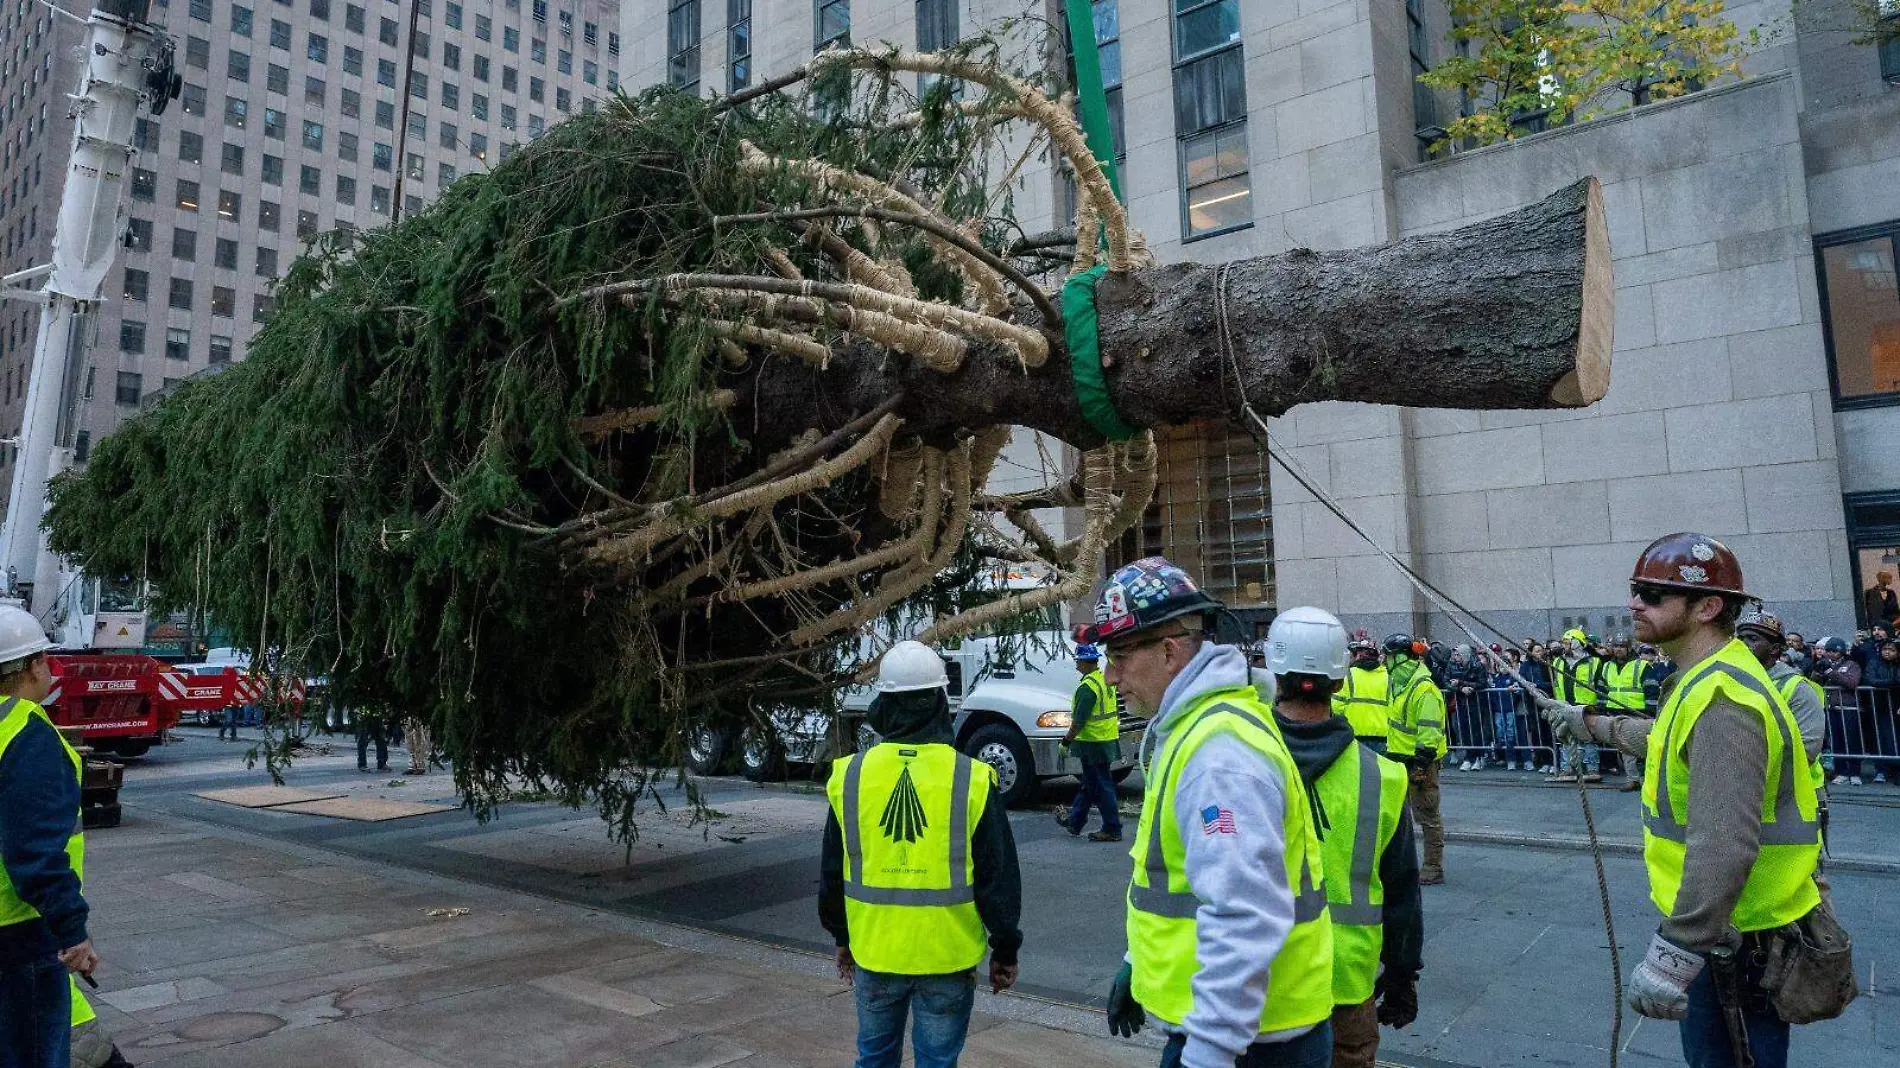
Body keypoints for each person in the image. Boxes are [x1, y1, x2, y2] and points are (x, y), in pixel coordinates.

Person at [1540, 533, 1825, 1068]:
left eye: (1652, 594)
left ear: (1708, 607)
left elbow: (1725, 844)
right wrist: (1595, 724)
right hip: (1731, 932)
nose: (1633, 604)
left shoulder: (1722, 697)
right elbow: (1668, 742)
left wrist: (1676, 953)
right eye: (1634, 591)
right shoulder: (1705, 680)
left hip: (1735, 943)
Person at [1092, 557, 1335, 1068]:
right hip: (1255, 1035)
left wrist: (1206, 1055)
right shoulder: (1201, 729)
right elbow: (1181, 881)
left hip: (1249, 1047)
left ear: (1169, 650)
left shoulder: (1217, 756)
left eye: (1118, 655)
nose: (1109, 676)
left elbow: (1243, 914)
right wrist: (1137, 964)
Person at [820, 640, 1021, 1068]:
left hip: (874, 953)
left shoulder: (850, 775)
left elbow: (832, 872)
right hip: (946, 960)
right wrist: (1005, 950)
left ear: (884, 704)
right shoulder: (971, 778)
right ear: (940, 703)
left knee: (874, 1058)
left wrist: (842, 938)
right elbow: (997, 878)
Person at [1266, 608, 1422, 1068]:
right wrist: (1401, 974)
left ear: (1275, 675)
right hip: (1344, 983)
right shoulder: (1383, 777)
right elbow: (1402, 892)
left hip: (1258, 981)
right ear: (1340, 681)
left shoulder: (1240, 759)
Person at [0, 605, 100, 1068]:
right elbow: (35, 854)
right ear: (31, 666)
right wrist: (72, 931)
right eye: (44, 658)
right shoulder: (27, 734)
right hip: (19, 933)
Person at [1736, 611, 1826, 792]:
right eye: (1741, 638)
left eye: (1752, 639)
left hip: (1794, 797)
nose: (1743, 645)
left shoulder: (1798, 689)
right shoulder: (1733, 681)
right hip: (1747, 793)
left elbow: (1806, 750)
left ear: (1775, 649)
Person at [1382, 634, 1446, 885]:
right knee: (1398, 816)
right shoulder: (1401, 684)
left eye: (1388, 656)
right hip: (1398, 759)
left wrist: (1421, 763)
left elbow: (1429, 730)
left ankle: (1433, 867)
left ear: (1400, 658)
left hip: (1420, 763)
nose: (1384, 661)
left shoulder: (1424, 689)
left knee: (1428, 816)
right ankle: (1402, 863)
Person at [1057, 643, 1122, 842]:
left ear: (1085, 662)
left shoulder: (1087, 687)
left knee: (1101, 786)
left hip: (1093, 743)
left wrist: (1066, 741)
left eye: (1078, 661)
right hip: (1105, 738)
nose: (1076, 665)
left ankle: (1112, 828)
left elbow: (1079, 720)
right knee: (1090, 783)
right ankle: (1075, 822)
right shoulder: (1102, 679)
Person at [1550, 629, 1604, 784]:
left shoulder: (1594, 663)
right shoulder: (1558, 662)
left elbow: (1599, 685)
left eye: (1567, 642)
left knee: (1588, 739)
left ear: (1577, 644)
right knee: (1565, 737)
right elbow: (1556, 684)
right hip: (1564, 705)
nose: (1564, 646)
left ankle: (1592, 767)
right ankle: (1567, 767)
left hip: (1586, 706)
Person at [1813, 638, 1865, 786]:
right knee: (1837, 741)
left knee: (1852, 740)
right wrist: (1818, 671)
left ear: (1841, 652)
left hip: (1848, 707)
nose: (1830, 653)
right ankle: (1841, 771)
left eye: (1834, 651)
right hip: (1831, 708)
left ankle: (1855, 772)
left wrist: (1831, 672)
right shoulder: (1824, 664)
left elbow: (1852, 683)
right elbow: (1813, 682)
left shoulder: (1851, 665)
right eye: (1828, 650)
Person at [1330, 632, 1389, 752]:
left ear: (1358, 656)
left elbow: (1335, 708)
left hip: (1353, 738)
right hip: (1383, 738)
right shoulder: (1388, 677)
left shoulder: (1348, 676)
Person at [356, 708, 391, 774]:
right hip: (366, 716)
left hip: (377, 715)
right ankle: (362, 764)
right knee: (363, 741)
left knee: (381, 740)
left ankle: (382, 763)